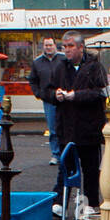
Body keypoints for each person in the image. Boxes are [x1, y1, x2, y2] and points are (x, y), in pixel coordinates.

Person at [45, 31, 108, 214]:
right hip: (67, 126)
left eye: (71, 46)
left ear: (81, 47)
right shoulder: (60, 67)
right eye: (64, 46)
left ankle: (91, 204)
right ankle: (60, 202)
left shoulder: (95, 66)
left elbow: (101, 92)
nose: (67, 50)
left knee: (90, 169)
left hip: (89, 127)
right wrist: (54, 95)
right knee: (66, 166)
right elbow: (47, 90)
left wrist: (76, 96)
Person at [29, 36, 64, 164]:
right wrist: (38, 93)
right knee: (53, 129)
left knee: (66, 127)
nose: (48, 47)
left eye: (50, 45)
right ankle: (55, 155)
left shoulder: (63, 59)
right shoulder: (37, 62)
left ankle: (66, 154)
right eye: (46, 45)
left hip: (64, 99)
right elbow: (32, 80)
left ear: (55, 45)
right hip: (48, 100)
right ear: (42, 47)